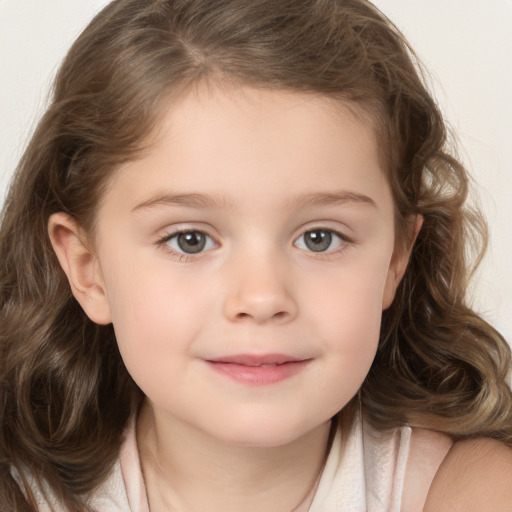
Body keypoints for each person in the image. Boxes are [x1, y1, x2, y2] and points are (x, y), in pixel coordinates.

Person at [1, 0, 511, 510]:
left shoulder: (469, 492)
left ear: (395, 259)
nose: (263, 298)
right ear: (88, 270)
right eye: (190, 239)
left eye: (320, 238)